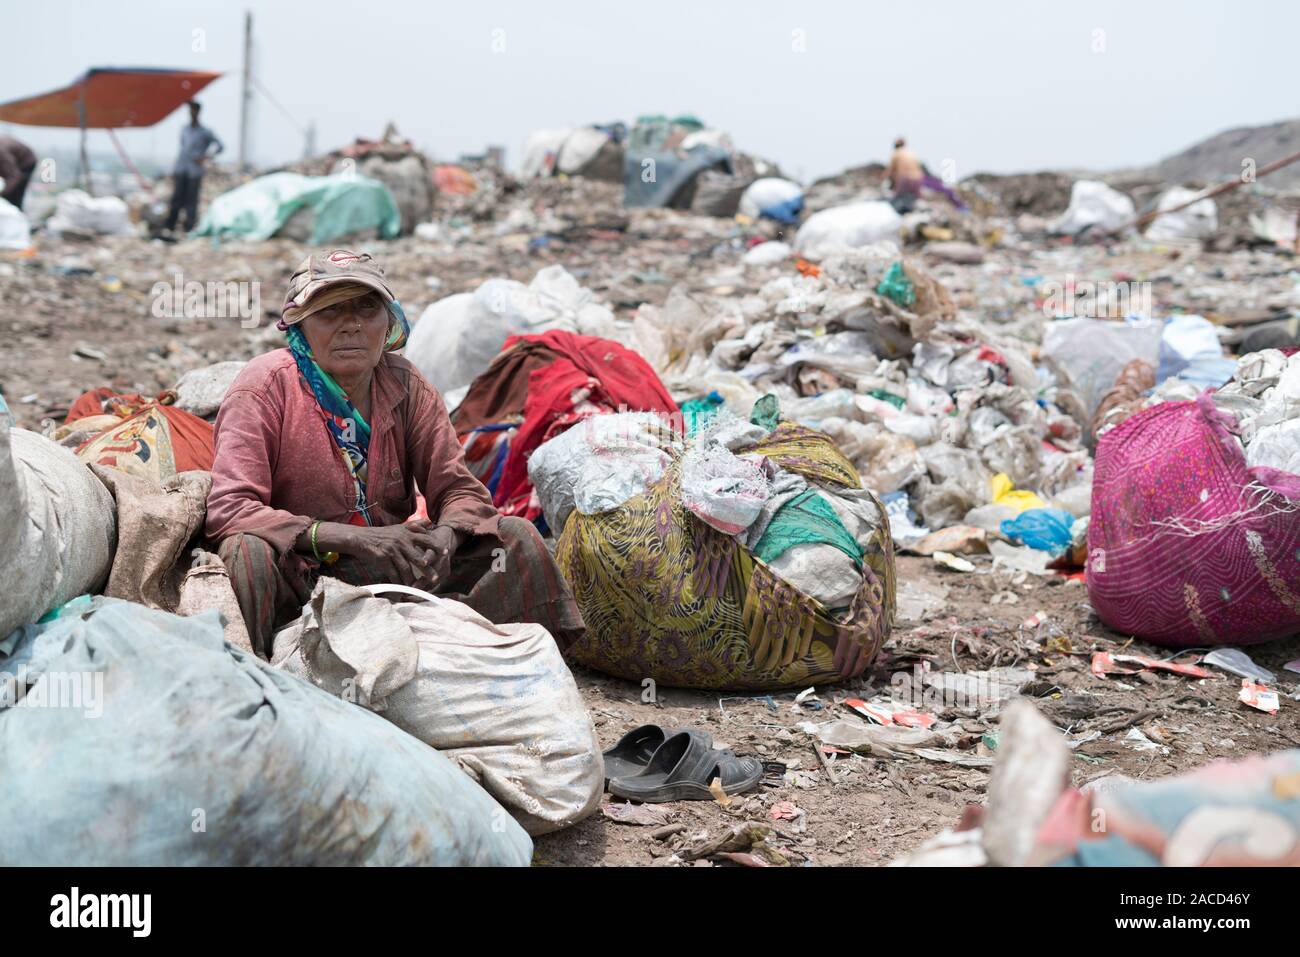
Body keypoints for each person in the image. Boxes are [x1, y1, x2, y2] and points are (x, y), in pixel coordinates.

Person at [206, 249, 586, 658]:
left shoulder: (405, 384)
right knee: (247, 551)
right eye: (330, 311)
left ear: (388, 322)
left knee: (515, 537)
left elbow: (459, 490)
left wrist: (446, 536)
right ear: (300, 324)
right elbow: (231, 508)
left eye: (366, 308)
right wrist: (353, 538)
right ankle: (262, 671)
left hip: (387, 571)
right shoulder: (264, 387)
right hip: (301, 576)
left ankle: (521, 672)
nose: (350, 325)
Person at [163, 101, 222, 235]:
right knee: (177, 199)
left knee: (191, 200)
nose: (192, 113)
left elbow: (219, 146)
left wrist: (205, 157)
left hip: (195, 171)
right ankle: (170, 226)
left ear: (198, 112)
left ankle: (188, 227)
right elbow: (182, 150)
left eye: (194, 110)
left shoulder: (205, 132)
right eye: (190, 110)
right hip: (181, 168)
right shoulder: (184, 129)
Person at [885, 137, 923, 214]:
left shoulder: (896, 154)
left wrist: (885, 179)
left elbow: (890, 171)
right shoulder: (911, 153)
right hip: (919, 178)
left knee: (898, 198)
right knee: (915, 199)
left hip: (905, 179)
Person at [0, 135, 37, 211]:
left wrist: (3, 193)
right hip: (11, 161)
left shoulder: (2, 154)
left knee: (13, 196)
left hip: (26, 163)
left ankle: (16, 214)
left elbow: (14, 176)